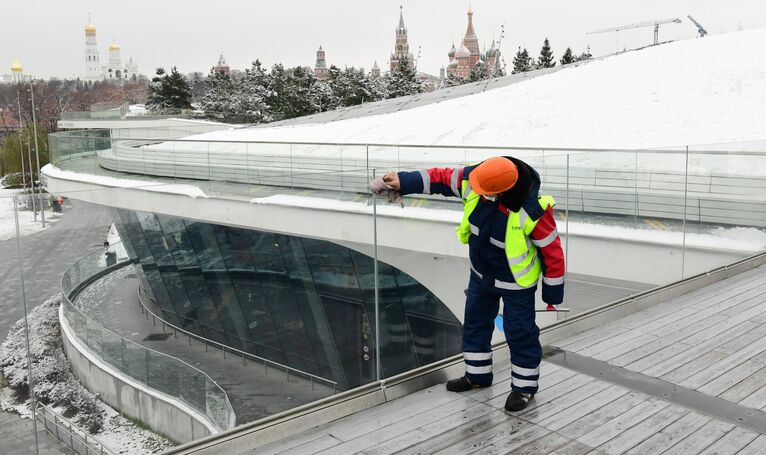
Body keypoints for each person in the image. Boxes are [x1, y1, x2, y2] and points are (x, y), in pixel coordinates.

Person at [369, 156, 565, 412]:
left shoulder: (534, 210)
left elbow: (552, 252)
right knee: (475, 323)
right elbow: (442, 177)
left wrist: (552, 294)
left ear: (501, 191)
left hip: (516, 284)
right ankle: (477, 376)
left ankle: (524, 388)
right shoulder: (476, 179)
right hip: (481, 275)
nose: (476, 192)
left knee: (521, 334)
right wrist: (402, 181)